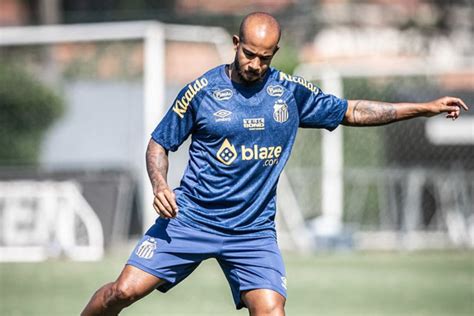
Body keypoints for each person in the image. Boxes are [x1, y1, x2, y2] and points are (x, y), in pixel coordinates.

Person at [81, 12, 469, 316]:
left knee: (271, 310)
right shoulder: (202, 92)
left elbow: (353, 110)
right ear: (236, 44)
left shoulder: (290, 94)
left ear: (274, 54)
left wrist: (423, 108)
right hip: (192, 219)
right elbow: (158, 143)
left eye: (264, 58)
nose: (254, 64)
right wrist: (161, 185)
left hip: (252, 232)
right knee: (122, 292)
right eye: (248, 53)